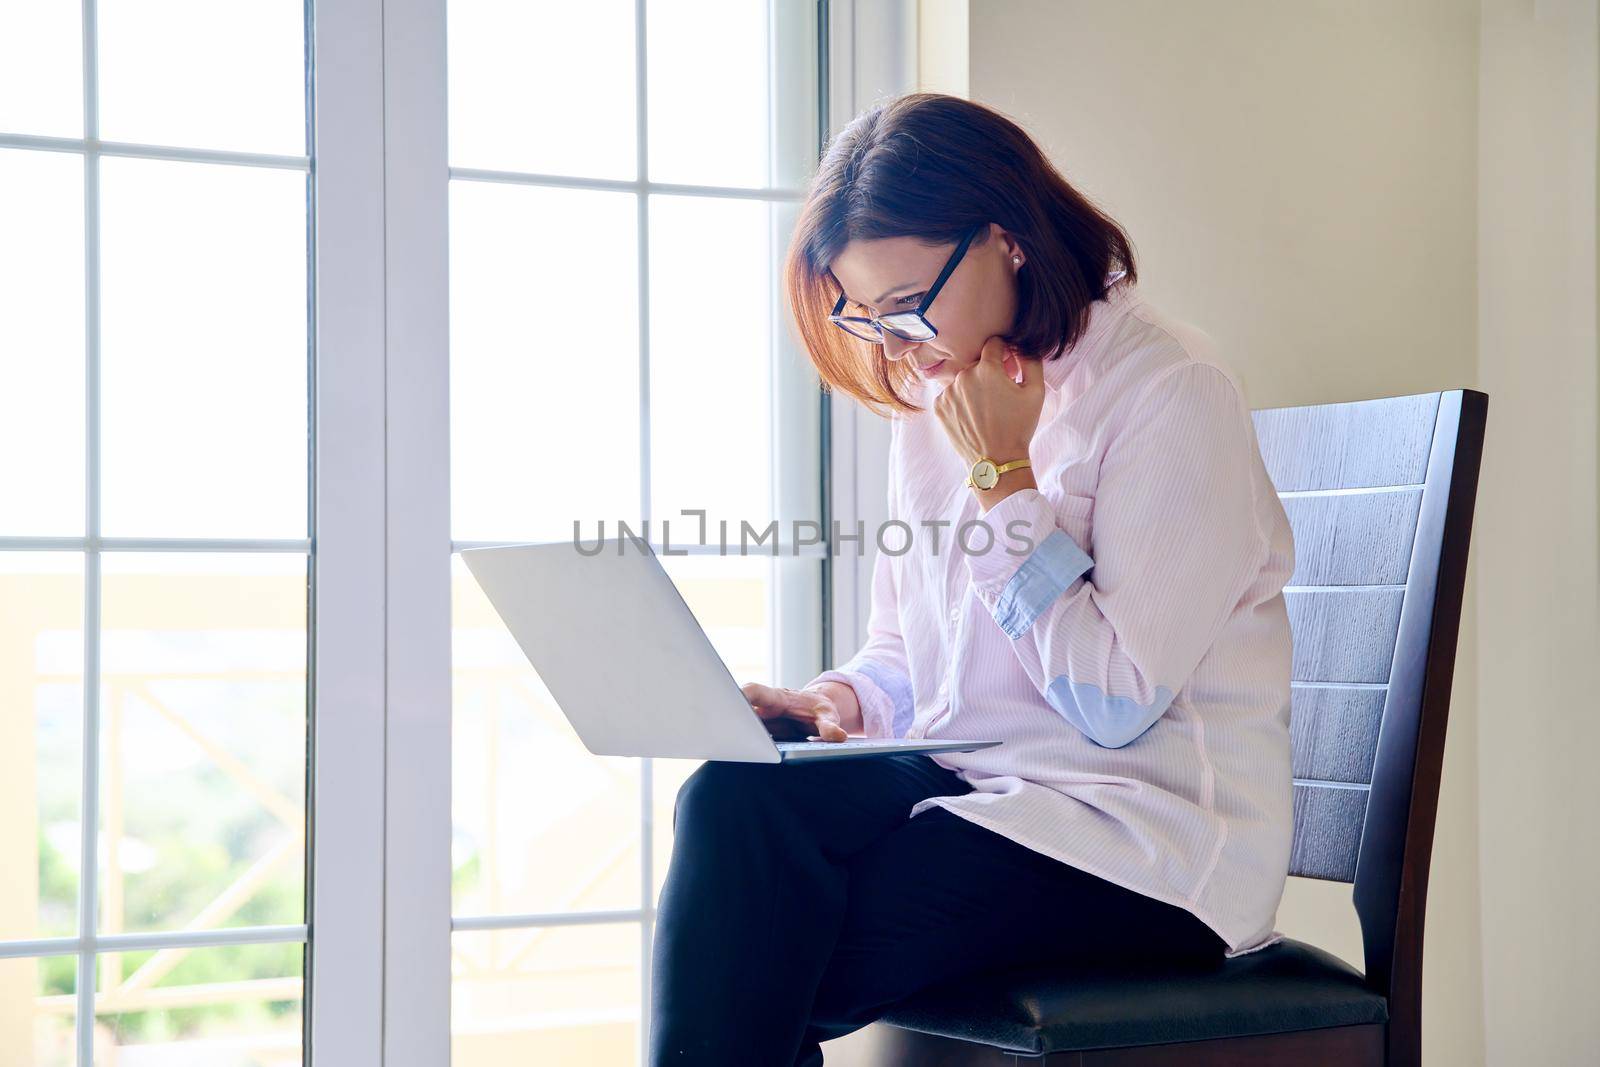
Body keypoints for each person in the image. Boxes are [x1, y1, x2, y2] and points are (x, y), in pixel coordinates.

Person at [648, 91, 1297, 1067]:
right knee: (732, 802)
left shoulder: (1170, 393)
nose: (895, 344)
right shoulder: (933, 397)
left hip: (1140, 838)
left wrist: (1005, 480)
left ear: (1006, 240)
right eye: (865, 318)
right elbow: (911, 655)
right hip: (982, 786)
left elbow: (1110, 703)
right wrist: (834, 704)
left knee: (761, 945)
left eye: (907, 304)